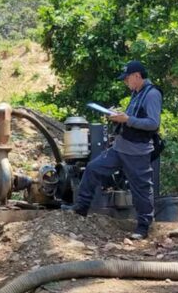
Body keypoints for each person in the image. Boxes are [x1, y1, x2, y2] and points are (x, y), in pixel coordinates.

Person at [68, 60, 162, 240]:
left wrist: (126, 120)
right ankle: (80, 210)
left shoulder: (152, 95)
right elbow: (132, 117)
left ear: (137, 76)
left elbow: (153, 123)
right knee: (93, 168)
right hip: (120, 148)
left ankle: (143, 227)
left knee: (141, 189)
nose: (126, 83)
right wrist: (118, 116)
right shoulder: (137, 93)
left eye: (127, 79)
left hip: (137, 151)